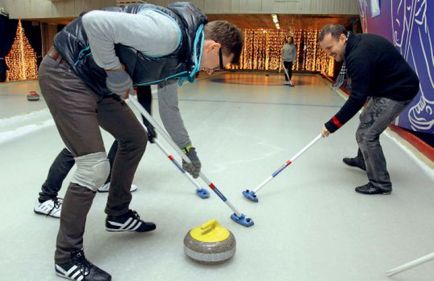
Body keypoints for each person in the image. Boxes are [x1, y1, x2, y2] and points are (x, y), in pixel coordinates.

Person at [38, 2, 243, 280]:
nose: (212, 72)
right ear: (212, 48)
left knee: (135, 138)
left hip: (96, 82)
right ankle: (66, 257)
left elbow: (169, 110)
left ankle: (117, 214)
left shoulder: (184, 58)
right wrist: (114, 70)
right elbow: (95, 22)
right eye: (218, 66)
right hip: (67, 73)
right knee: (94, 166)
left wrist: (188, 151)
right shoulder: (167, 35)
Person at [318, 24, 419, 195]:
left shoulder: (358, 55)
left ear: (342, 39)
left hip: (398, 90)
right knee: (365, 117)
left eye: (330, 48)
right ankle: (363, 160)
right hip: (386, 87)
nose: (328, 53)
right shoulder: (355, 46)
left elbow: (357, 98)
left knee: (366, 135)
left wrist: (332, 125)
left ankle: (380, 183)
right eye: (325, 50)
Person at [33, 86, 155, 218]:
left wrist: (147, 122)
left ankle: (107, 180)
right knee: (76, 146)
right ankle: (45, 199)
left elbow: (143, 89)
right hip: (75, 94)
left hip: (99, 94)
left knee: (127, 133)